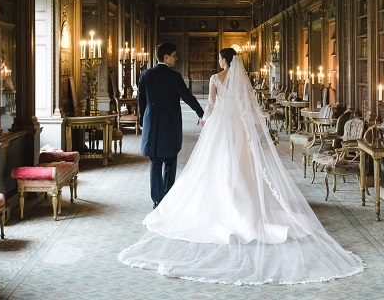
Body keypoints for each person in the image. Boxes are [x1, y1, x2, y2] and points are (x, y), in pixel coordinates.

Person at [119, 47, 363, 285]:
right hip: (237, 127)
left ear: (224, 62)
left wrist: (203, 117)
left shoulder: (192, 77)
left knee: (202, 164)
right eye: (174, 54)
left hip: (212, 126)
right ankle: (243, 202)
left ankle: (160, 200)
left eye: (219, 59)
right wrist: (245, 125)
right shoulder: (235, 80)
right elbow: (248, 106)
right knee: (238, 162)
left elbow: (209, 105)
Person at [138, 42, 204, 209]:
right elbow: (188, 97)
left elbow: (142, 101)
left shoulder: (145, 75)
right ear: (166, 57)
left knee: (155, 161)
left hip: (152, 123)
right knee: (170, 160)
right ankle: (167, 197)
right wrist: (201, 113)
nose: (176, 58)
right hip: (170, 123)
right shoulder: (175, 77)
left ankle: (157, 200)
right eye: (174, 55)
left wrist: (142, 122)